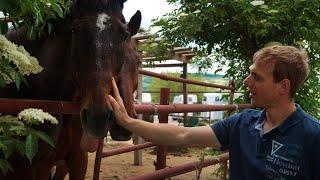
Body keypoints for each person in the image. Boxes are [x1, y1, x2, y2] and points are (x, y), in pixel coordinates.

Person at [108, 45, 320, 180]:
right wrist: (127, 121)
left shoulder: (313, 137)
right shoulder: (242, 123)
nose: (246, 82)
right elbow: (182, 135)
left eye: (257, 77)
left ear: (283, 86)